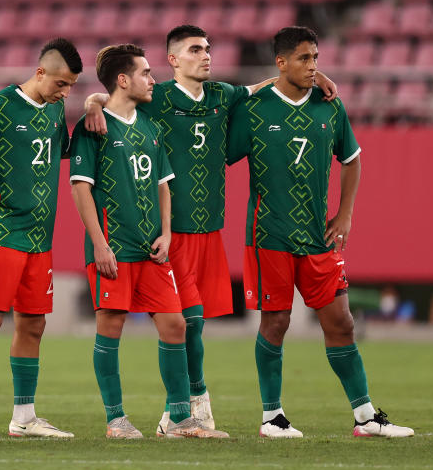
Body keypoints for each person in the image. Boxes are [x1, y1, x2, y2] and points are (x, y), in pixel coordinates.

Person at [83, 25, 338, 434]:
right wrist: (92, 100)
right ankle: (189, 406)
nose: (206, 55)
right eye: (195, 49)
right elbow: (114, 99)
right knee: (187, 322)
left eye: (208, 48)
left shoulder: (223, 94)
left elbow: (263, 85)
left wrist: (310, 76)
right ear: (172, 60)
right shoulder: (157, 97)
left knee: (194, 323)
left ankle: (180, 410)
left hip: (209, 229)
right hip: (171, 233)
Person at [227, 26, 413, 438]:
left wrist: (345, 214)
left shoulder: (330, 105)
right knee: (276, 323)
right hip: (268, 235)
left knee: (342, 322)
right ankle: (272, 417)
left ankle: (365, 418)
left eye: (316, 58)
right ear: (281, 63)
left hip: (317, 236)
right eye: (304, 59)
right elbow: (223, 152)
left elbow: (352, 159)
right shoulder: (254, 108)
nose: (313, 67)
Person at [70, 44, 228, 439]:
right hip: (114, 248)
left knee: (175, 325)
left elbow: (163, 186)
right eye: (145, 73)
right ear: (123, 80)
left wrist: (168, 232)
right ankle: (116, 419)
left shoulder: (150, 127)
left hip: (152, 249)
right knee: (111, 325)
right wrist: (99, 244)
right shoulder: (92, 127)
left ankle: (179, 419)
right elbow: (80, 189)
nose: (152, 79)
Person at [0, 38, 81, 439]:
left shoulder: (55, 108)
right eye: (61, 84)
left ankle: (24, 418)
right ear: (40, 72)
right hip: (0, 233)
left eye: (71, 87)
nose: (66, 93)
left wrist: (95, 106)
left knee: (33, 324)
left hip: (39, 240)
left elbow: (59, 151)